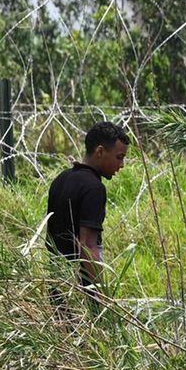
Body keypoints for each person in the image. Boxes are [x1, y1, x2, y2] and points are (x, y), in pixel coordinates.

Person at [46, 121, 131, 303]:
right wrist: (100, 293)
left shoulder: (60, 180)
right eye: (119, 157)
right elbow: (87, 245)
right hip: (83, 289)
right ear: (100, 152)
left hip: (58, 285)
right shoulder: (93, 188)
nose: (122, 164)